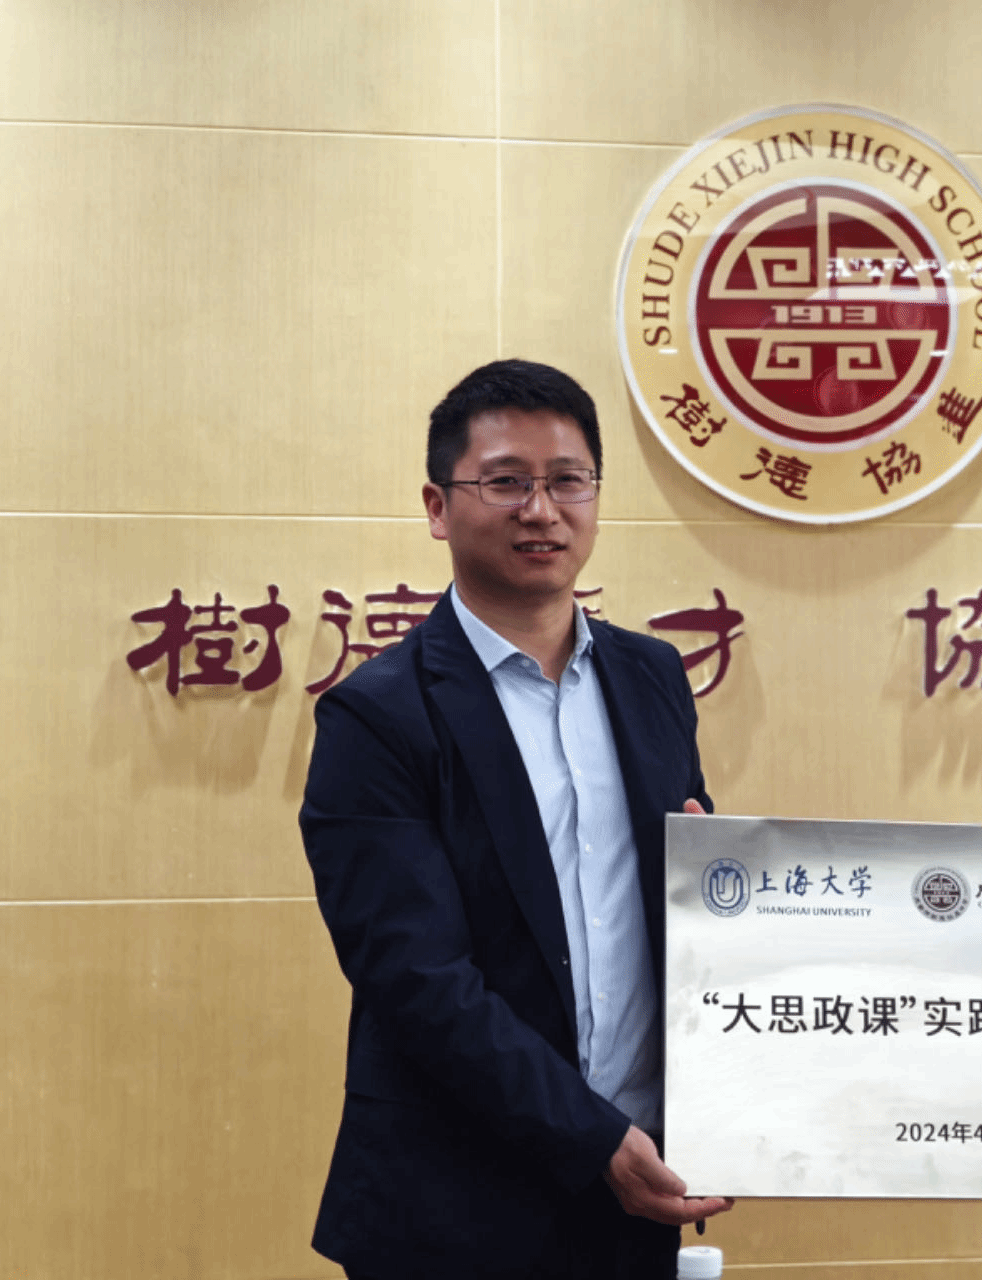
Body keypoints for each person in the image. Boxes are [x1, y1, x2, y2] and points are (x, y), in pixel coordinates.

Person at [299, 359, 731, 1280]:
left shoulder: (652, 676)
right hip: (451, 1213)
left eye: (569, 480)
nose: (542, 510)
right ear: (437, 505)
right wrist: (592, 1137)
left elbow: (686, 913)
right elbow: (418, 980)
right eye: (505, 482)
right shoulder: (377, 716)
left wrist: (717, 885)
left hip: (636, 1194)